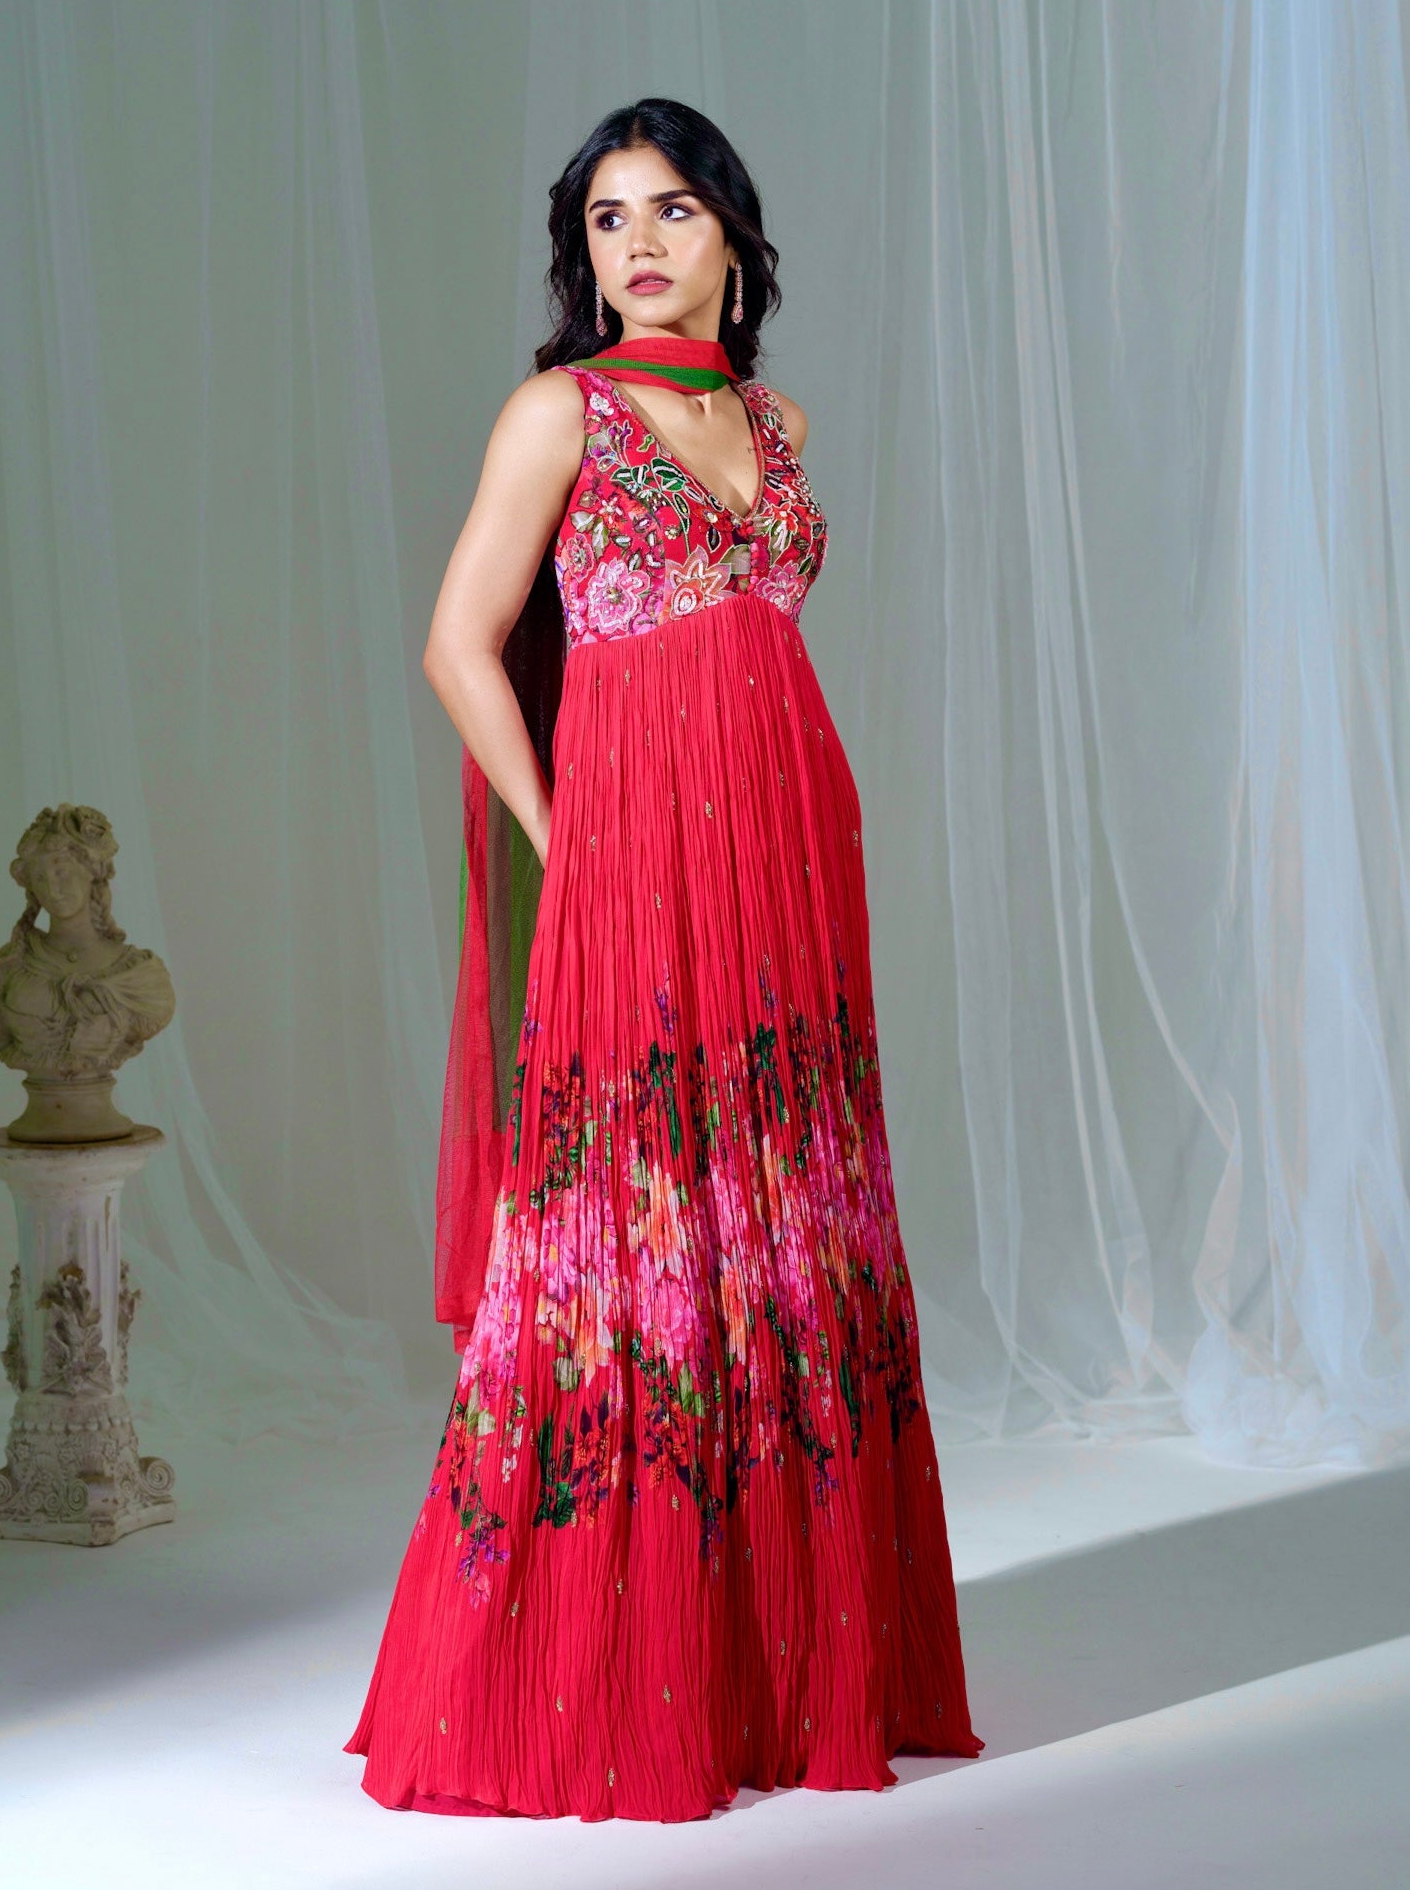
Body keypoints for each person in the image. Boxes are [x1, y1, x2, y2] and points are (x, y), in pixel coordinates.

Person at [344, 97, 982, 1822]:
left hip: (790, 840)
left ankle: (787, 1668)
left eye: (673, 209)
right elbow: (459, 644)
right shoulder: (559, 412)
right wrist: (566, 841)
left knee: (786, 1208)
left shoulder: (772, 422)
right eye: (607, 218)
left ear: (733, 240)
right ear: (583, 255)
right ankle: (595, 1672)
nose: (637, 242)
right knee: (629, 1228)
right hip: (633, 851)